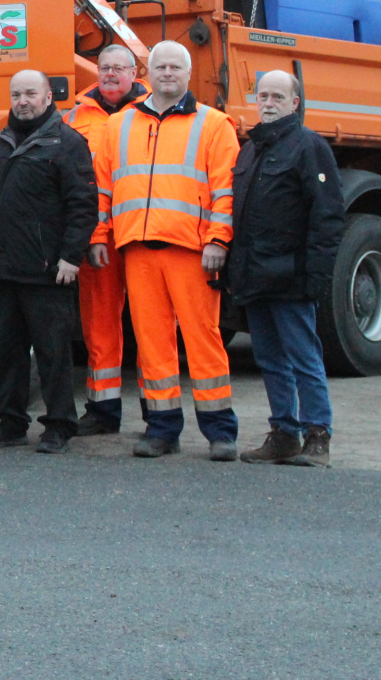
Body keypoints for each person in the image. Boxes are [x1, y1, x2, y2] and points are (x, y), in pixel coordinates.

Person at [90, 40, 241, 461]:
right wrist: (99, 237)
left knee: (203, 339)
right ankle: (161, 429)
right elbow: (102, 189)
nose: (168, 74)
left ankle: (220, 432)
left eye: (176, 67)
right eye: (161, 67)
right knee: (152, 343)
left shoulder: (213, 125)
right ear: (148, 74)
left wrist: (218, 240)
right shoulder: (119, 124)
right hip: (136, 249)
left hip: (192, 251)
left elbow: (225, 191)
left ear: (189, 74)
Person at [0, 73, 97, 453]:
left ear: (47, 96)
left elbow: (83, 205)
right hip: (1, 269)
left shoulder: (68, 143)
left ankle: (59, 426)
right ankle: (9, 423)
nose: (22, 100)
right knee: (6, 353)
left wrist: (70, 257)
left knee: (53, 352)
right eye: (16, 94)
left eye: (30, 93)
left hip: (47, 272)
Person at [230, 71, 344, 467]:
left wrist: (316, 276)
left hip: (292, 277)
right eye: (263, 95)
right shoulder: (250, 150)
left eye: (278, 96)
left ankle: (317, 437)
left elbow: (327, 215)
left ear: (295, 103)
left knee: (303, 358)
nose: (269, 103)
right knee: (270, 360)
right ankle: (284, 434)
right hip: (257, 276)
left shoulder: (309, 147)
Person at [65, 44, 147, 435]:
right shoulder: (76, 116)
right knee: (98, 325)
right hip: (96, 237)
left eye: (119, 68)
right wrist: (92, 234)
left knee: (152, 326)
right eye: (105, 68)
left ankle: (158, 414)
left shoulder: (154, 112)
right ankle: (102, 410)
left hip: (144, 233)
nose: (111, 74)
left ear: (135, 73)